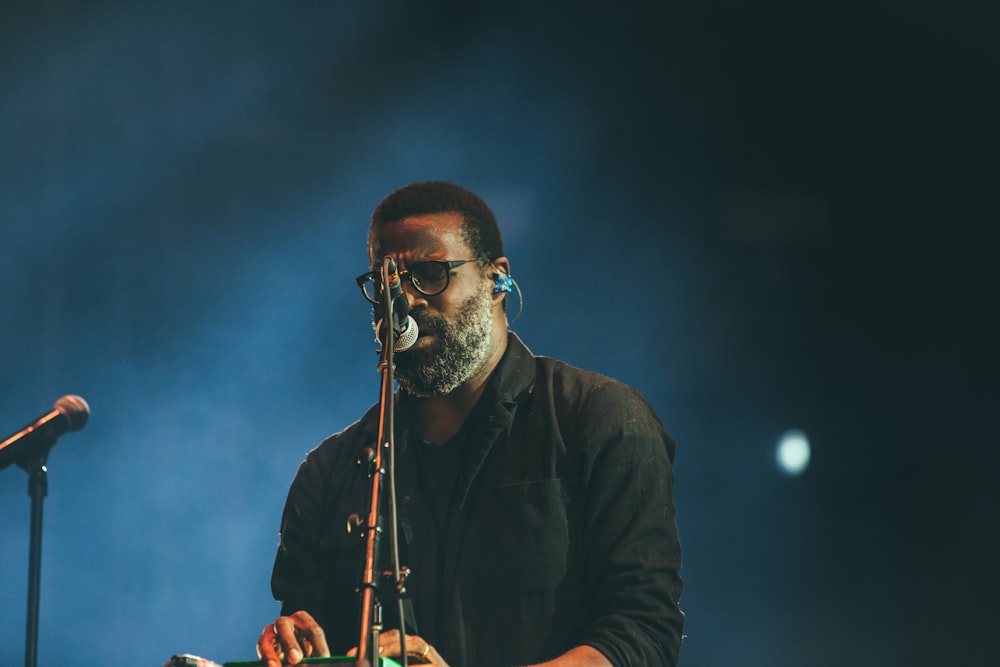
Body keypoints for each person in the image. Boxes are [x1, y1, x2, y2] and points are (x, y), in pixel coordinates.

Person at [256, 181, 684, 667]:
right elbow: (311, 631)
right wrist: (298, 647)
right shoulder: (328, 472)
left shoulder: (601, 420)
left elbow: (643, 634)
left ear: (496, 279)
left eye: (430, 274)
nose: (405, 300)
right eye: (386, 282)